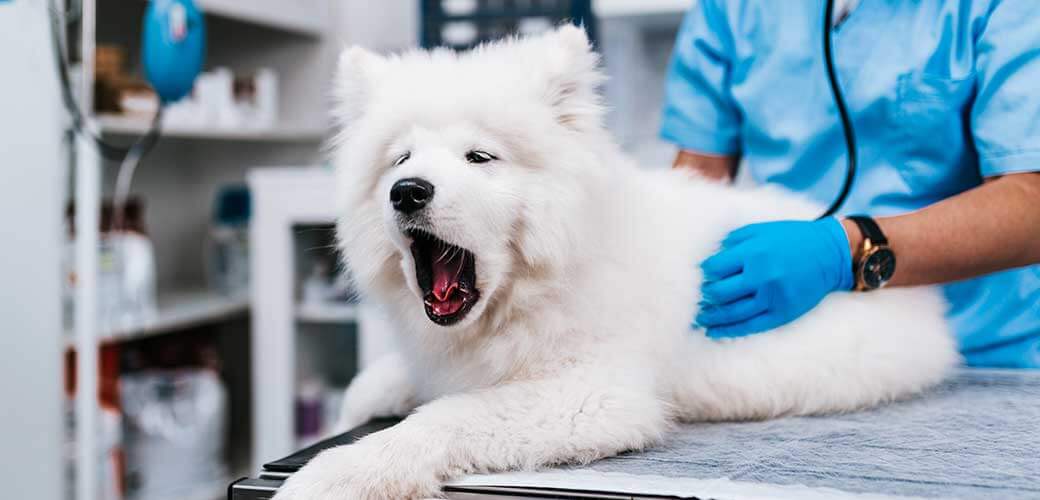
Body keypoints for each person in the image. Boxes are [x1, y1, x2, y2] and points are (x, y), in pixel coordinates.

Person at [661, 0, 1040, 368]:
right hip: (802, 347)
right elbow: (696, 183)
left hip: (980, 354)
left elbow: (1030, 204)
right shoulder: (730, 8)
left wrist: (844, 251)